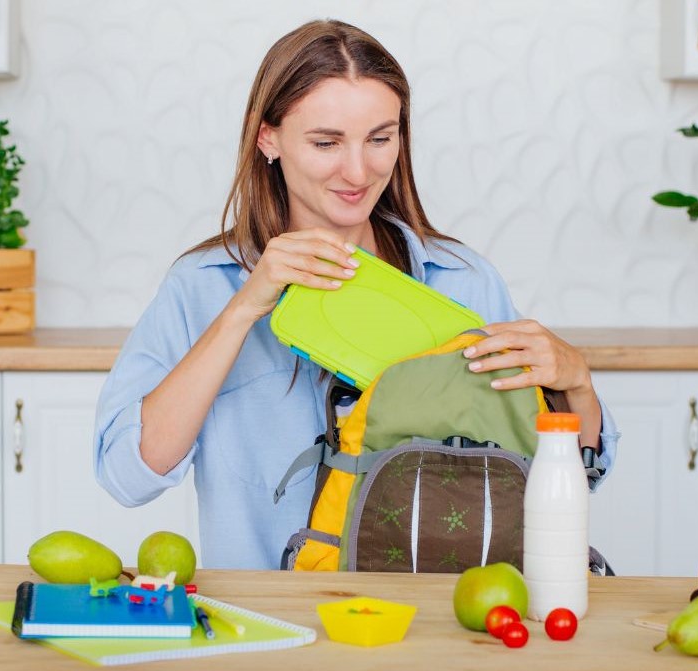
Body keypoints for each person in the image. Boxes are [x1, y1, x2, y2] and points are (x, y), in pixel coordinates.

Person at [94, 19, 620, 570]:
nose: (358, 170)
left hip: (433, 623)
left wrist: (577, 384)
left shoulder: (463, 282)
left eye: (380, 139)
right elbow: (128, 477)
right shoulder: (200, 286)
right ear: (266, 136)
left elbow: (557, 477)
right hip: (267, 627)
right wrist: (244, 307)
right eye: (326, 142)